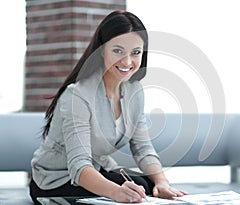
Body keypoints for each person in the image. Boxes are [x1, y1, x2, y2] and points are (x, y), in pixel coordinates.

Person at [29, 10, 186, 204]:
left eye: (135, 52)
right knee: (137, 189)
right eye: (118, 51)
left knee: (146, 185)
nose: (127, 62)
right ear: (102, 49)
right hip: (54, 181)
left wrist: (162, 182)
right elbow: (79, 165)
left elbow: (143, 148)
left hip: (96, 169)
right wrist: (116, 192)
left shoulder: (133, 91)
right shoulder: (77, 95)